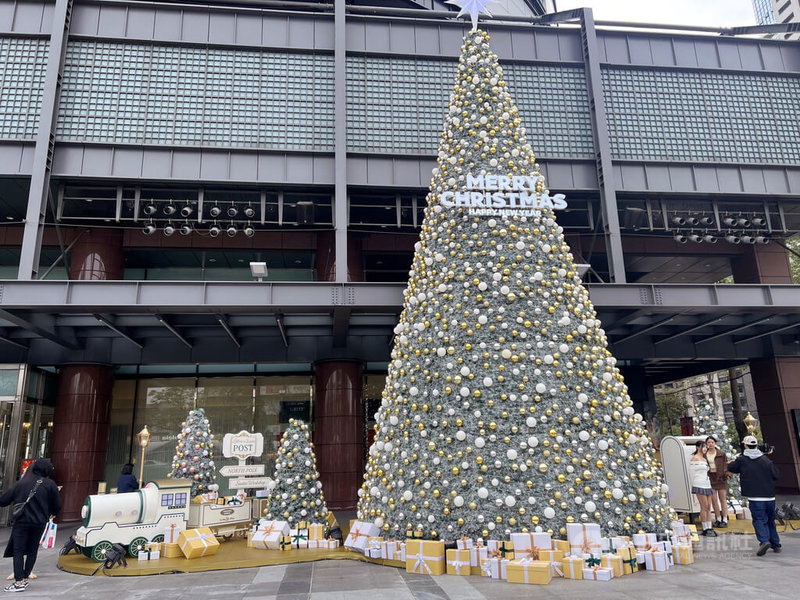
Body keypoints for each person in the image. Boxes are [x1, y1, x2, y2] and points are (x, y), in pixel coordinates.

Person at [0, 459, 62, 592]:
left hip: (22, 522)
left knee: (18, 551)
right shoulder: (50, 484)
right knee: (33, 550)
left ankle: (18, 582)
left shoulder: (22, 483)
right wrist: (52, 513)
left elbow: (4, 501)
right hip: (39, 523)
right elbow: (57, 505)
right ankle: (25, 577)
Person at [727, 435, 781, 556]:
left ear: (745, 445)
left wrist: (730, 463)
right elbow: (776, 475)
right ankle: (776, 544)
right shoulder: (766, 460)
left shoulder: (742, 460)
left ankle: (764, 541)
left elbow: (732, 467)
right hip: (770, 497)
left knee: (759, 520)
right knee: (770, 520)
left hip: (755, 498)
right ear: (756, 445)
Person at [689, 440, 717, 537]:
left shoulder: (705, 460)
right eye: (703, 447)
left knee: (709, 506)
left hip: (707, 483)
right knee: (704, 506)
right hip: (699, 483)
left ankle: (709, 526)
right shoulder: (694, 458)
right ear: (698, 447)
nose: (705, 449)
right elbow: (692, 473)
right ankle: (705, 527)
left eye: (706, 447)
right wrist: (693, 484)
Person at [705, 436, 729, 528]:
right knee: (714, 499)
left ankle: (725, 519)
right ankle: (718, 518)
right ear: (706, 444)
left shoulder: (721, 454)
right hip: (711, 477)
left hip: (720, 477)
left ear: (715, 443)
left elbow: (726, 464)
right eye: (708, 442)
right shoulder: (705, 454)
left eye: (712, 442)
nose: (710, 444)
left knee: (722, 499)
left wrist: (727, 474)